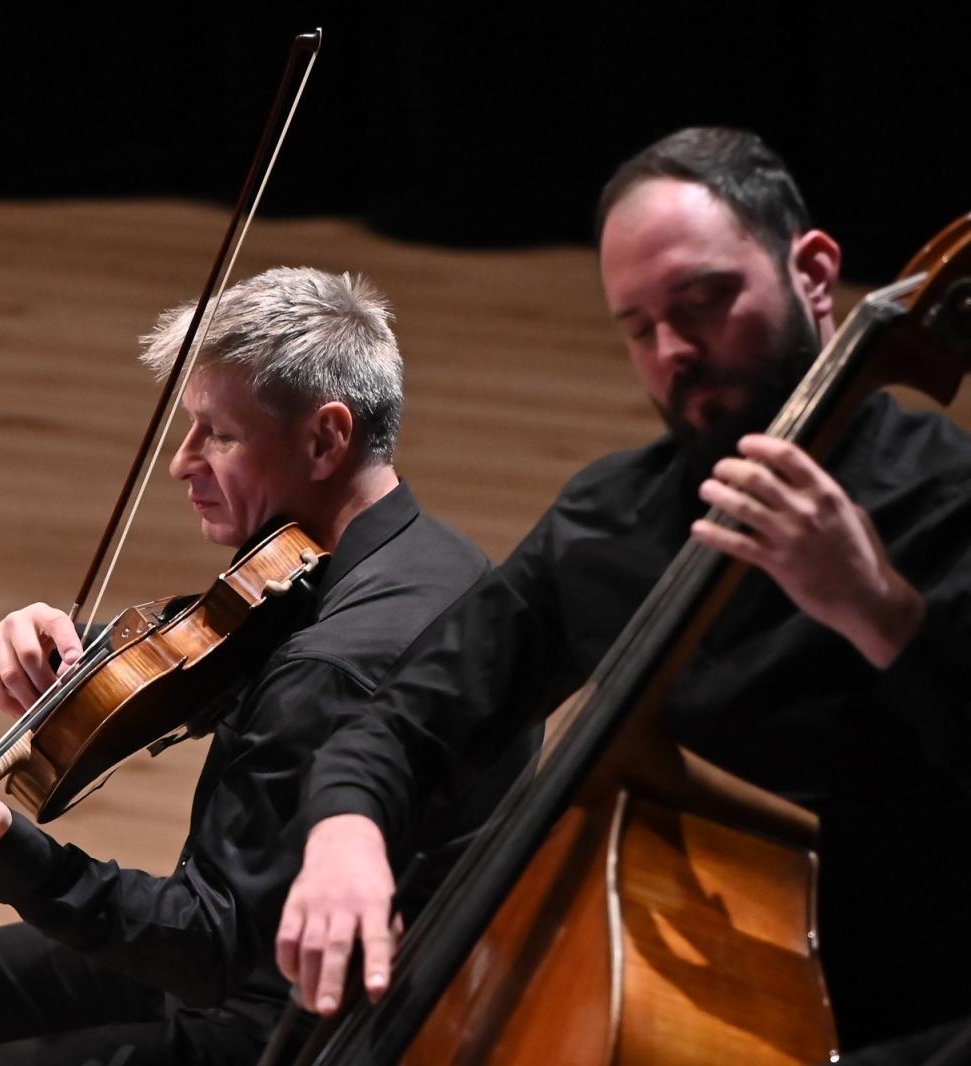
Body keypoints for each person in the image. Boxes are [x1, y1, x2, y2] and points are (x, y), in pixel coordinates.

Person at [276, 126, 971, 1053]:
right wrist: (346, 828)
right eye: (639, 327)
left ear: (813, 271)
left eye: (705, 301)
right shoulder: (611, 520)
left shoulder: (946, 501)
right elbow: (409, 718)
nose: (673, 350)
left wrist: (882, 615)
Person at [0, 266, 529, 1065]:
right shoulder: (429, 561)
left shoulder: (329, 672)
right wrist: (69, 645)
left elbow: (206, 946)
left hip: (288, 1025)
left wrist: (8, 848)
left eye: (218, 434)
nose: (182, 462)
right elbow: (219, 645)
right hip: (351, 971)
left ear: (327, 438)